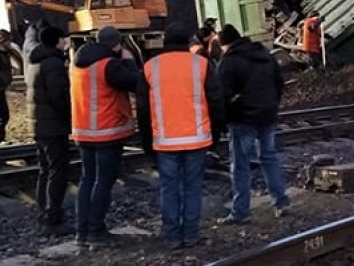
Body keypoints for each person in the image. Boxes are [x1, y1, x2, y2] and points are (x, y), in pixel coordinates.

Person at [136, 23, 225, 250]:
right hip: (197, 138)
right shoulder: (202, 65)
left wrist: (147, 143)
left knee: (169, 188)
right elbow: (216, 103)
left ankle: (172, 236)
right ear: (187, 41)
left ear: (165, 42)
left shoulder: (149, 67)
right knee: (193, 187)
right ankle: (191, 235)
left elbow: (143, 111)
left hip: (165, 142)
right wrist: (216, 135)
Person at [70, 26, 139, 249]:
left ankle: (82, 232)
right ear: (117, 44)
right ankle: (96, 231)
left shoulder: (77, 62)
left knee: (87, 180)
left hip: (84, 131)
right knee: (103, 181)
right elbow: (136, 83)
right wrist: (128, 61)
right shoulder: (109, 66)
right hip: (107, 131)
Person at [216, 24, 289, 223]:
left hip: (242, 119)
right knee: (269, 158)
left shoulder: (229, 62)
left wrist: (225, 118)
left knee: (240, 165)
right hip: (267, 115)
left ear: (224, 44)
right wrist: (272, 105)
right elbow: (279, 83)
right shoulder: (265, 54)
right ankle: (281, 202)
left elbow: (221, 95)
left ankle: (241, 212)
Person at [26, 26, 73, 236]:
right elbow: (58, 97)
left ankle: (44, 214)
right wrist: (69, 117)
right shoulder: (53, 63)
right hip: (53, 126)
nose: (66, 43)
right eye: (64, 39)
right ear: (58, 41)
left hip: (38, 124)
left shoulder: (34, 61)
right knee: (57, 171)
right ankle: (53, 219)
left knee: (44, 170)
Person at [0, 29, 23, 145]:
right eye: (8, 41)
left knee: (1, 114)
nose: (10, 43)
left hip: (1, 86)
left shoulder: (4, 52)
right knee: (2, 114)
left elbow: (18, 60)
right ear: (2, 41)